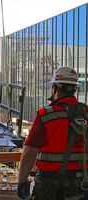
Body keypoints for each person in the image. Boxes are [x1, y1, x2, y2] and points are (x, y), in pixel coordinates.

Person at [17, 66, 88, 200]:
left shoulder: (46, 116)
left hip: (50, 186)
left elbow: (29, 152)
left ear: (54, 87)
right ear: (75, 88)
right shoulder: (86, 114)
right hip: (83, 185)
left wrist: (22, 181)